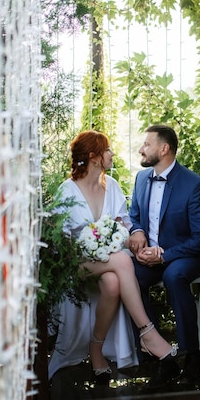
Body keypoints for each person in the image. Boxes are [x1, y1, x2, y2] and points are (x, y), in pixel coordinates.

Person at [48, 130, 179, 385]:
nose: (112, 154)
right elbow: (58, 245)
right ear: (94, 156)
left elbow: (124, 225)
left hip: (104, 262)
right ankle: (147, 332)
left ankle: (96, 350)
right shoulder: (67, 191)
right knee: (121, 261)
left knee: (112, 283)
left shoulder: (113, 187)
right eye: (107, 150)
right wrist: (90, 245)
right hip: (74, 264)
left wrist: (138, 244)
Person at [129, 124, 200, 387]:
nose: (141, 149)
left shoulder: (194, 185)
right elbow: (133, 215)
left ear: (164, 149)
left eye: (147, 144)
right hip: (150, 254)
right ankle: (160, 355)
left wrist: (164, 254)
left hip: (185, 254)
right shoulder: (142, 179)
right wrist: (138, 229)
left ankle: (192, 357)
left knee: (174, 276)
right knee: (128, 277)